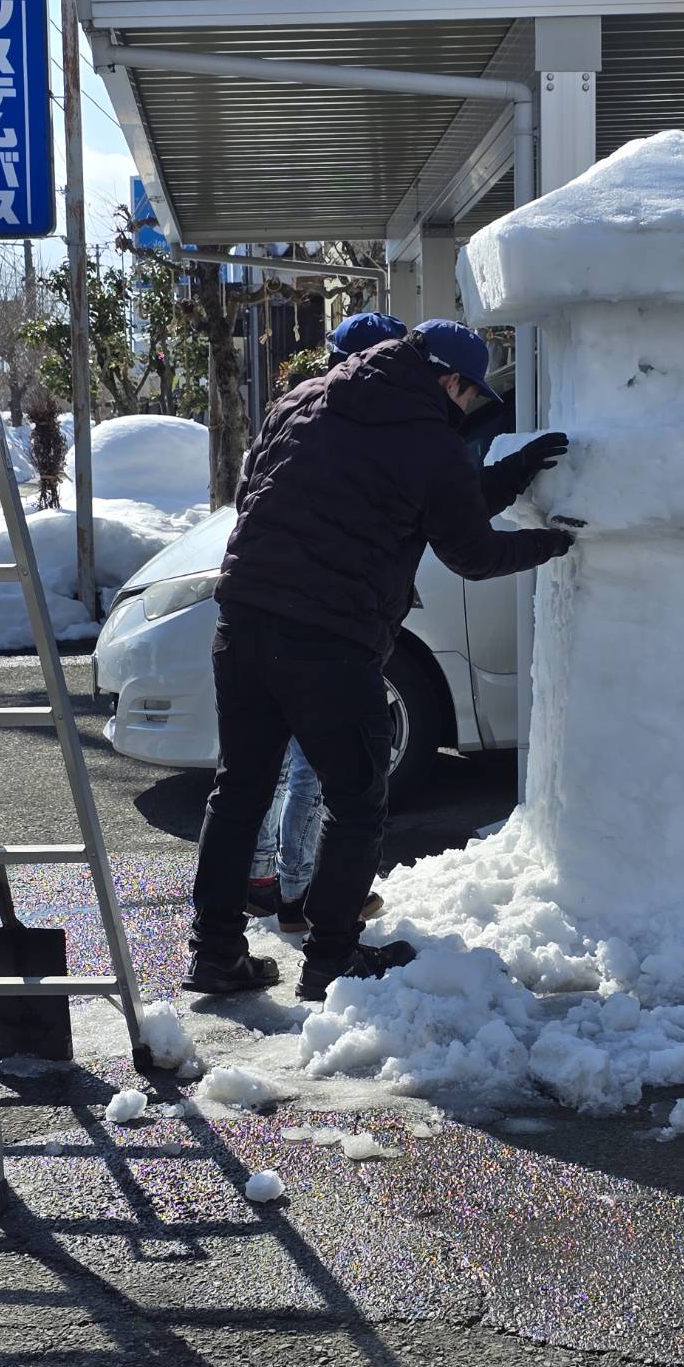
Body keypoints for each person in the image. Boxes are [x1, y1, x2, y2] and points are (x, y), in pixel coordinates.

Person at [186, 318, 574, 1001]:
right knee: (357, 800)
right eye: (470, 394)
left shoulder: (301, 402)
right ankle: (331, 959)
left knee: (240, 788)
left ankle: (215, 953)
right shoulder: (431, 442)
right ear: (449, 380)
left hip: (242, 621)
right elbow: (469, 549)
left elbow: (269, 499)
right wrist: (552, 544)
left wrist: (513, 475)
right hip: (330, 641)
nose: (468, 407)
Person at [244, 311, 407, 934]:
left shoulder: (293, 410)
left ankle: (263, 881)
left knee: (266, 763)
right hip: (324, 622)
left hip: (259, 609)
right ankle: (301, 891)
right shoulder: (364, 429)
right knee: (315, 766)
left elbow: (248, 496)